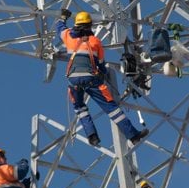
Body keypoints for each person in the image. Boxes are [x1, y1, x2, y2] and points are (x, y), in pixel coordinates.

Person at [56, 9, 149, 147]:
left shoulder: (69, 37)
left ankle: (92, 137)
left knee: (80, 108)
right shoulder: (95, 41)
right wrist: (104, 74)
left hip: (73, 80)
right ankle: (133, 136)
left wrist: (63, 17)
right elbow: (100, 64)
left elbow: (60, 29)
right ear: (89, 25)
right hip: (91, 79)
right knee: (112, 109)